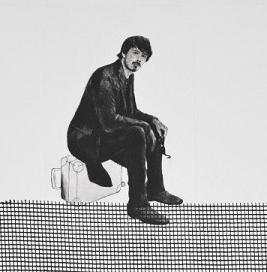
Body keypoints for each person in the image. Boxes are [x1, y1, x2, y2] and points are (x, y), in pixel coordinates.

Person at [67, 36, 183, 225]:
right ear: (123, 52)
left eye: (143, 56)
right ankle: (138, 205)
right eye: (135, 53)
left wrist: (153, 121)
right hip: (85, 141)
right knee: (137, 133)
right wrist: (144, 126)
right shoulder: (104, 76)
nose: (139, 59)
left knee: (150, 129)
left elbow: (131, 112)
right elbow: (109, 121)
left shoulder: (127, 76)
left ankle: (155, 189)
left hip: (105, 137)